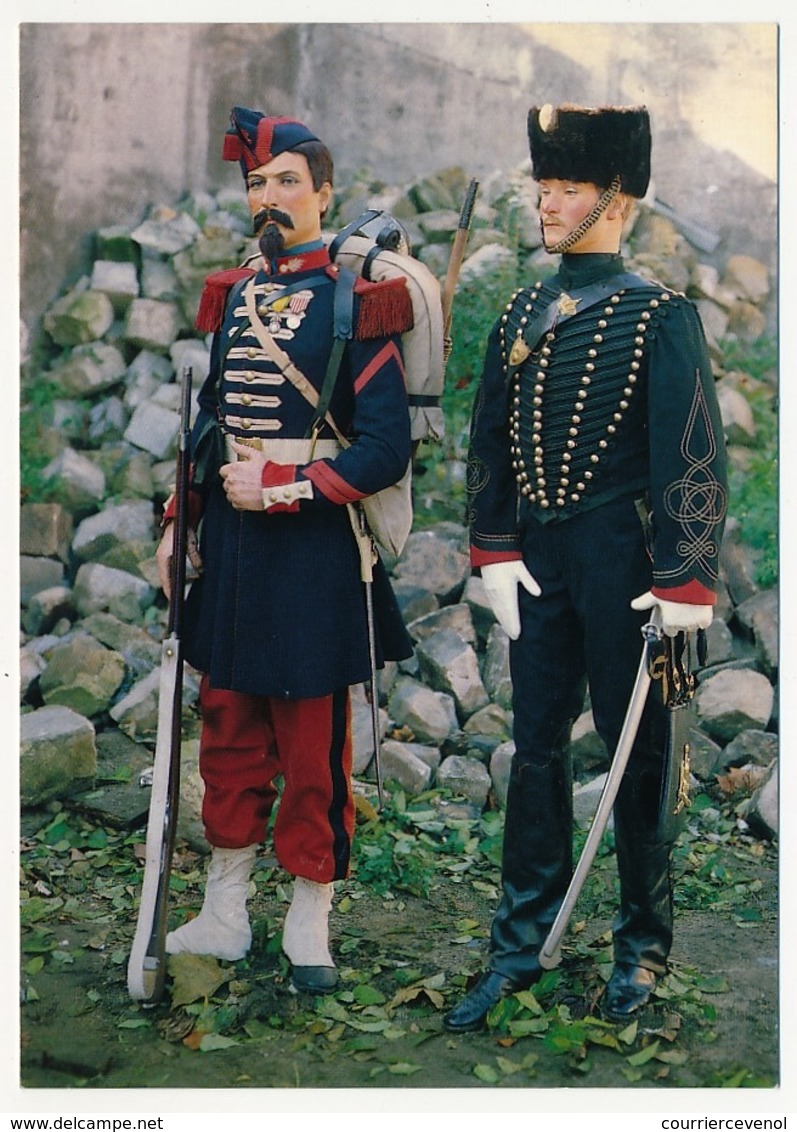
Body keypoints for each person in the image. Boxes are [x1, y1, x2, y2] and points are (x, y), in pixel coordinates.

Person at [443, 103, 728, 1032]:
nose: (545, 201)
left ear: (615, 198)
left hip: (629, 563)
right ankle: (519, 942)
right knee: (532, 751)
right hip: (539, 559)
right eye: (542, 184)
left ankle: (641, 952)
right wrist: (491, 546)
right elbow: (488, 440)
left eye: (563, 187)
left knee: (641, 754)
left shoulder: (661, 314)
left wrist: (686, 580)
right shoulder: (523, 307)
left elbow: (693, 455)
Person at [155, 106, 414, 994]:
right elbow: (209, 424)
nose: (269, 199)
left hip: (310, 547)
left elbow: (386, 448)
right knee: (227, 723)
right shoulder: (232, 295)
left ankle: (310, 909)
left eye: (287, 183)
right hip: (228, 546)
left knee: (311, 742)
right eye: (257, 185)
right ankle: (225, 906)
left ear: (323, 192)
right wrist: (176, 523)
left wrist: (290, 485)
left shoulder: (357, 301)